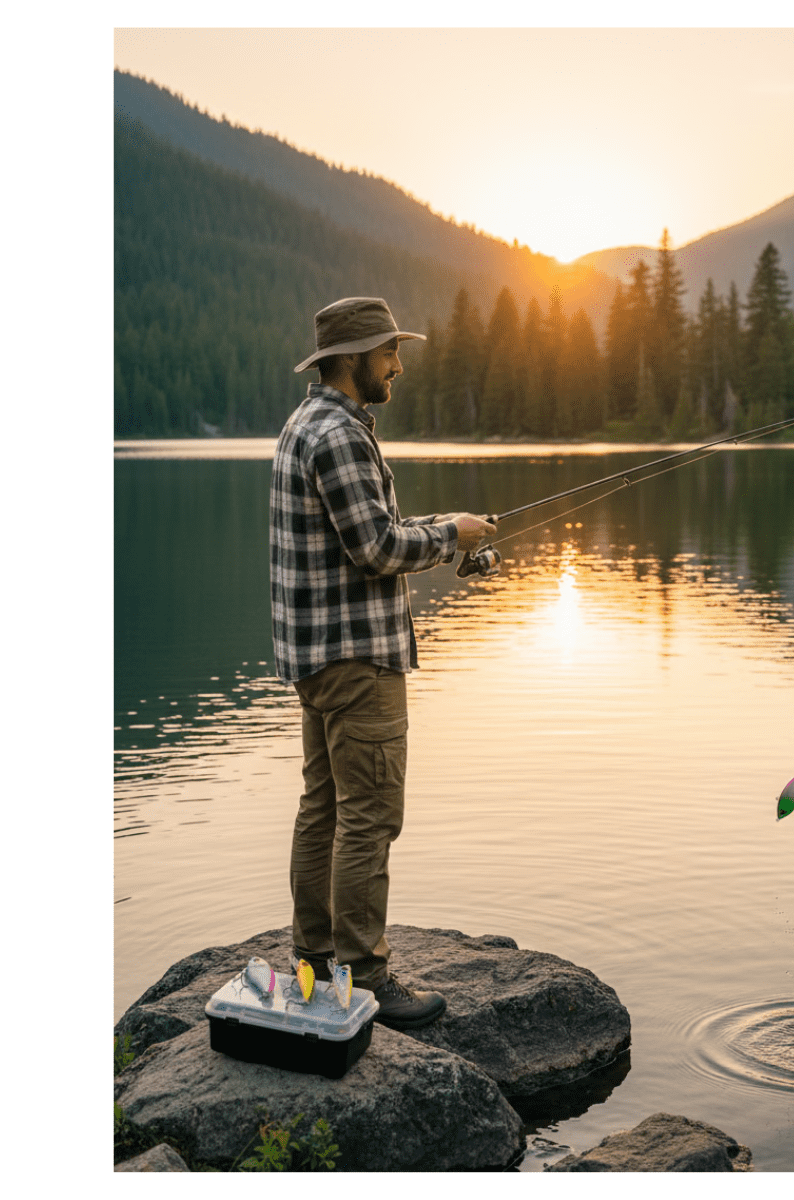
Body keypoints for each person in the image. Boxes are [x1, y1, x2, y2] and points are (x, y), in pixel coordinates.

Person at [270, 296, 495, 1029]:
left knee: (324, 808)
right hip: (358, 661)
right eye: (389, 351)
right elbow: (378, 549)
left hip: (317, 659)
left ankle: (313, 960)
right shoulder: (340, 435)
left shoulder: (306, 424)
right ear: (354, 358)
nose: (398, 365)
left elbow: (370, 533)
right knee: (369, 817)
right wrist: (453, 536)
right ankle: (363, 977)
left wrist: (449, 530)